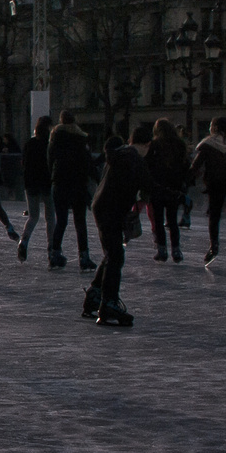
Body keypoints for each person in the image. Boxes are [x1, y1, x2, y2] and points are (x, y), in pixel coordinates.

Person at [84, 125, 165, 327]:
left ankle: (95, 295)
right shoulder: (134, 159)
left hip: (103, 207)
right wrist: (178, 197)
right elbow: (149, 186)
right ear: (147, 144)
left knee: (113, 254)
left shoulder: (121, 154)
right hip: (110, 210)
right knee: (116, 256)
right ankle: (108, 304)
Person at [188, 116, 226, 266]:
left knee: (214, 217)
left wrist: (188, 178)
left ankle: (214, 247)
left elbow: (196, 165)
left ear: (214, 128)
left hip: (215, 183)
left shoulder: (208, 144)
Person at [47, 110, 96, 272]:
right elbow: (88, 162)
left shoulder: (55, 138)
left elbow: (50, 160)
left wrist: (52, 176)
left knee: (61, 220)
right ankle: (84, 257)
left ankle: (54, 254)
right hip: (78, 184)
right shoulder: (81, 138)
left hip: (60, 182)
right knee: (80, 222)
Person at [145, 118, 191, 263]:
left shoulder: (154, 145)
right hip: (174, 187)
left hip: (158, 186)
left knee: (158, 220)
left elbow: (148, 164)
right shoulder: (180, 145)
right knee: (172, 220)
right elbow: (185, 166)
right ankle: (176, 251)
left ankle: (162, 250)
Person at [17, 115, 53, 262]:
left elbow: (24, 163)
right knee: (50, 218)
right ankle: (52, 248)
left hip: (31, 184)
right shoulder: (49, 144)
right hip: (46, 183)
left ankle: (24, 240)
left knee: (33, 216)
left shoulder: (29, 143)